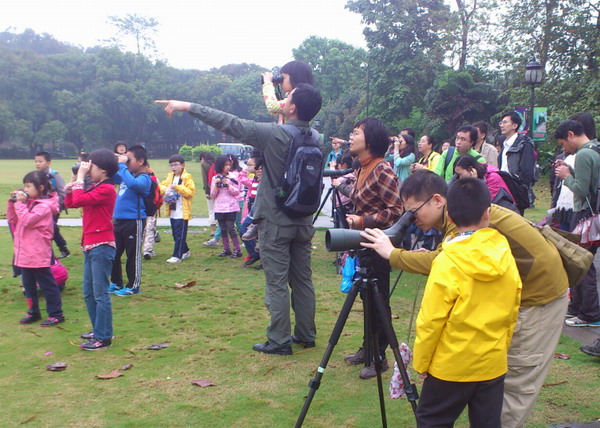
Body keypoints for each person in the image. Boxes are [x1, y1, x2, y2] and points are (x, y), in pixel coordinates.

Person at [359, 170, 569, 428]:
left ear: (439, 201)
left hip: (541, 295)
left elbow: (434, 305)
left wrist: (392, 254)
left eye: (414, 211)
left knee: (516, 382)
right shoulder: (479, 222)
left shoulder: (465, 220)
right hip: (501, 328)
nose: (411, 219)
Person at [156, 82, 322, 356]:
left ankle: (279, 340)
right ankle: (306, 335)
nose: (283, 99)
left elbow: (229, 122)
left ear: (292, 108)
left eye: (288, 97)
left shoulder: (275, 134)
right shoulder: (316, 137)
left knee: (277, 282)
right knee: (303, 280)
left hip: (275, 220)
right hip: (303, 219)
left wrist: (188, 106)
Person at [411, 178, 521, 427]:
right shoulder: (505, 254)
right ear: (488, 213)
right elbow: (513, 306)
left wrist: (422, 361)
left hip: (452, 364)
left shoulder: (447, 261)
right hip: (492, 361)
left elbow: (431, 319)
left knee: (432, 420)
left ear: (449, 216)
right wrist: (501, 348)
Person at [332, 117, 402, 379]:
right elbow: (361, 196)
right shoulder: (362, 167)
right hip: (363, 243)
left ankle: (379, 357)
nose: (350, 137)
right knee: (366, 297)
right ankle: (368, 349)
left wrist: (363, 220)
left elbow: (396, 211)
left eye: (356, 133)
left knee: (378, 299)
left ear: (370, 140)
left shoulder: (382, 169)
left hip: (379, 244)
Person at [64, 149, 118, 350]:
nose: (88, 169)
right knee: (88, 292)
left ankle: (104, 337)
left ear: (103, 169)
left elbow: (79, 200)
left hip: (102, 245)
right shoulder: (96, 187)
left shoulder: (107, 189)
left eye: (91, 166)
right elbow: (71, 202)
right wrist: (74, 179)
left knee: (100, 293)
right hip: (89, 244)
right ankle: (98, 329)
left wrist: (80, 178)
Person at [554, 120, 600, 328]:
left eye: (563, 143)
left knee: (582, 263)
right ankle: (579, 308)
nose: (564, 148)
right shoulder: (594, 149)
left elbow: (582, 189)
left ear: (571, 134)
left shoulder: (583, 154)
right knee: (582, 261)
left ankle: (589, 313)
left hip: (584, 214)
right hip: (592, 214)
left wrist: (566, 177)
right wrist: (570, 172)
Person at [8, 170, 65, 327]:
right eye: (24, 186)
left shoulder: (43, 207)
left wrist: (19, 204)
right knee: (28, 285)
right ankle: (33, 311)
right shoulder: (27, 204)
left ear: (40, 187)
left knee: (47, 285)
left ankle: (56, 313)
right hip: (25, 253)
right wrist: (12, 203)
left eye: (28, 186)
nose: (25, 189)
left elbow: (27, 220)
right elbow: (13, 219)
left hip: (38, 253)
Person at [109, 145, 152, 296]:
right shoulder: (126, 174)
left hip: (134, 221)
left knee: (132, 255)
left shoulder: (144, 178)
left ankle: (133, 286)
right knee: (114, 253)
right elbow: (112, 177)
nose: (126, 162)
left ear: (140, 161)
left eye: (129, 159)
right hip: (118, 220)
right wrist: (114, 162)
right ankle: (116, 282)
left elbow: (134, 185)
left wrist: (122, 165)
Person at [498, 112, 536, 212]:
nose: (502, 125)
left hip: (516, 191)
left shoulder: (524, 144)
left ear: (514, 126)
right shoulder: (505, 145)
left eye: (505, 122)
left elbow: (527, 171)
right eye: (501, 123)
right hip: (503, 190)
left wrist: (521, 190)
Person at [161, 154, 196, 263]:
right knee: (176, 234)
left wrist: (177, 187)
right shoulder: (170, 177)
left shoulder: (187, 177)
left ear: (182, 165)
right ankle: (185, 251)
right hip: (173, 209)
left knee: (180, 235)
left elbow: (190, 192)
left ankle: (177, 256)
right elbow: (161, 186)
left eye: (176, 164)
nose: (173, 167)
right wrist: (166, 189)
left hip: (182, 211)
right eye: (171, 165)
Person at [34, 151, 70, 258]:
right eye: (36, 161)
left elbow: (62, 192)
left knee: (51, 228)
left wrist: (58, 206)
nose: (37, 164)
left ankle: (61, 249)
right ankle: (55, 249)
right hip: (40, 208)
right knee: (48, 228)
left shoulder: (54, 175)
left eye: (40, 161)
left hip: (53, 208)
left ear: (48, 162)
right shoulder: (35, 175)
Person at [211, 155, 243, 258]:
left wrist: (229, 185)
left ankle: (237, 250)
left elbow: (237, 192)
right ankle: (226, 249)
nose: (228, 167)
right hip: (219, 207)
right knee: (223, 228)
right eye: (225, 165)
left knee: (231, 228)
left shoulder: (233, 177)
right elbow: (213, 195)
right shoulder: (215, 178)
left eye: (229, 165)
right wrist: (216, 186)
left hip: (231, 207)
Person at [142, 163, 160, 260]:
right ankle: (148, 249)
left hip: (140, 208)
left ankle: (138, 248)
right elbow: (160, 192)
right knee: (150, 228)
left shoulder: (137, 178)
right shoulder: (154, 179)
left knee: (141, 229)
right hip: (152, 208)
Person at [199, 152, 218, 237]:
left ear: (203, 158)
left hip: (211, 190)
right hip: (219, 190)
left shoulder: (204, 165)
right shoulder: (217, 164)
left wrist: (207, 192)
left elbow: (205, 179)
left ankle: (213, 230)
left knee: (211, 210)